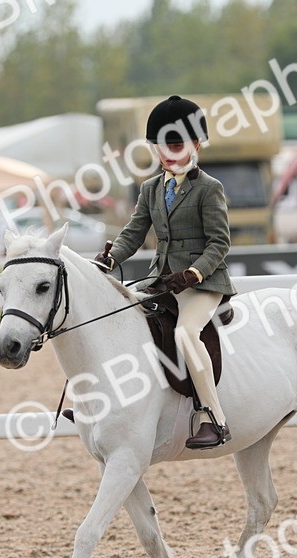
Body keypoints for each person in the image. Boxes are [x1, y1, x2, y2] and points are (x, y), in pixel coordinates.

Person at [94, 95, 236, 449]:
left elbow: (220, 243)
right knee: (117, 318)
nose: (169, 153)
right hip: (162, 279)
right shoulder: (151, 188)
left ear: (196, 144)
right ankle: (105, 404)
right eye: (162, 146)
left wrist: (193, 274)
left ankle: (213, 418)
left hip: (202, 284)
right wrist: (108, 261)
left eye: (176, 145)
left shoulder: (208, 188)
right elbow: (133, 232)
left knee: (186, 334)